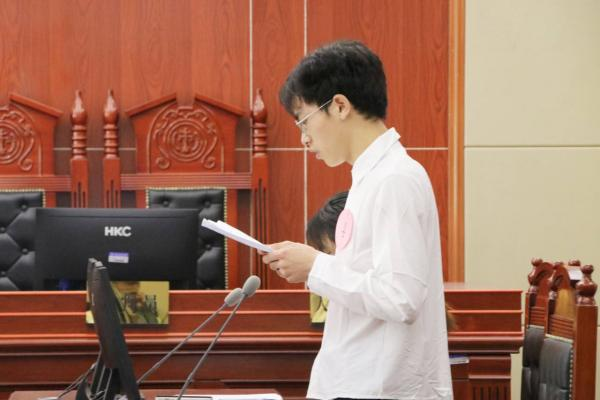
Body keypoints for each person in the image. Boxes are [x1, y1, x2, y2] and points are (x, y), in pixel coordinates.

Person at [262, 40, 453, 399]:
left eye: (304, 121)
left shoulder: (394, 179)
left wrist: (316, 266)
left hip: (380, 388)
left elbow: (401, 297)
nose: (304, 139)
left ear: (339, 106)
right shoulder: (372, 178)